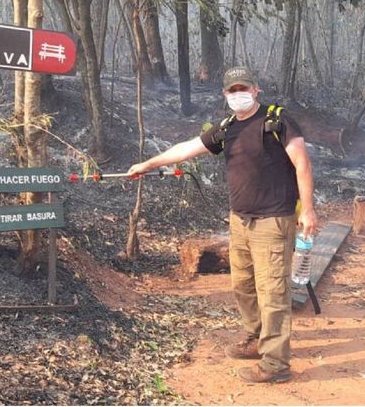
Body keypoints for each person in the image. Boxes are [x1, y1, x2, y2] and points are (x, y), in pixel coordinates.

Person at [127, 66, 317, 383]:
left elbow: (302, 164)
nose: (238, 94)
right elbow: (187, 148)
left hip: (273, 220)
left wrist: (308, 209)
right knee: (242, 285)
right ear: (225, 95)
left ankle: (276, 365)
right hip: (239, 221)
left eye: (244, 88)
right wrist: (148, 164)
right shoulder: (227, 127)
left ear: (256, 90)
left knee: (273, 293)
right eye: (232, 90)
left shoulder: (277, 121)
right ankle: (256, 339)